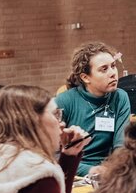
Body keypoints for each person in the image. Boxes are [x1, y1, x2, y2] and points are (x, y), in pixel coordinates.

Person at [56, 42, 131, 176]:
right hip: (74, 172)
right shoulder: (64, 101)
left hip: (110, 171)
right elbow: (52, 155)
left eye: (113, 66)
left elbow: (121, 147)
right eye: (104, 69)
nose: (113, 73)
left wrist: (115, 169)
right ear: (85, 78)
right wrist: (89, 170)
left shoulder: (120, 97)